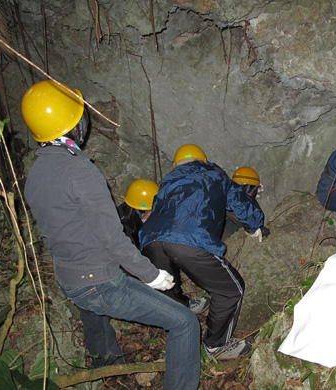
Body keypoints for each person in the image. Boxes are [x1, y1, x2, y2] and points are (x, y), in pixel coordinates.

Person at [22, 80, 201, 389]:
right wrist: (151, 276)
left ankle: (107, 371)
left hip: (68, 278)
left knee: (94, 317)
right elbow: (114, 238)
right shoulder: (80, 171)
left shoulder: (34, 174)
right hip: (98, 282)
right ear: (73, 125)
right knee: (184, 323)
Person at [139, 144, 265, 361]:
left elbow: (156, 209)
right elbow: (240, 201)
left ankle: (183, 319)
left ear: (176, 165)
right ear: (203, 161)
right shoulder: (214, 174)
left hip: (151, 239)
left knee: (166, 282)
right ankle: (216, 346)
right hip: (189, 238)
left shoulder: (169, 180)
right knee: (231, 290)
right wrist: (254, 226)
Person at [117, 178, 210, 314]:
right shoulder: (121, 230)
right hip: (123, 273)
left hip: (135, 260)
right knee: (159, 255)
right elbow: (127, 260)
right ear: (140, 210)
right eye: (151, 211)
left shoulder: (129, 212)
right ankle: (179, 305)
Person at [222, 166, 270, 241]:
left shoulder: (225, 198)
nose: (256, 193)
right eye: (255, 189)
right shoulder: (236, 206)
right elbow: (250, 222)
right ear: (247, 187)